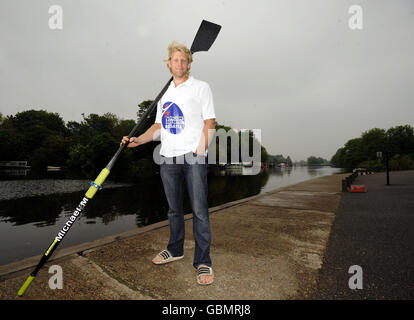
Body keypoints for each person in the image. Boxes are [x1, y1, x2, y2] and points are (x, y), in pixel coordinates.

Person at [120, 41, 216, 285]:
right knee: (174, 209)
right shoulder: (164, 94)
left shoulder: (201, 87)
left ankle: (203, 261)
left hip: (193, 156)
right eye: (175, 59)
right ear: (169, 63)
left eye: (184, 60)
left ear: (189, 63)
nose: (180, 63)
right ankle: (175, 249)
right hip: (168, 156)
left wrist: (199, 151)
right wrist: (138, 140)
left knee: (199, 211)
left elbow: (210, 123)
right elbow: (159, 127)